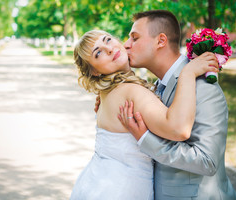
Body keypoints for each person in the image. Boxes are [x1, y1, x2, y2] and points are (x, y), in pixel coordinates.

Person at [70, 29, 219, 200]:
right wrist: (188, 73)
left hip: (94, 183)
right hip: (120, 190)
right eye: (98, 53)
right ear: (94, 71)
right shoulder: (129, 91)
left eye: (108, 40)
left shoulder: (108, 94)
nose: (109, 49)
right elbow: (179, 129)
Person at [117, 10, 236, 199]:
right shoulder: (156, 86)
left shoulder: (202, 86)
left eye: (134, 38)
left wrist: (146, 139)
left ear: (161, 41)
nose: (126, 45)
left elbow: (208, 161)